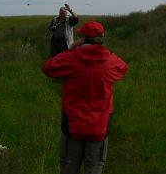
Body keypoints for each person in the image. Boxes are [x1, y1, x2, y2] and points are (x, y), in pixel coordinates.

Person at [42, 21, 128, 174]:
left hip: (73, 126)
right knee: (94, 169)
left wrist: (70, 49)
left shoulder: (72, 57)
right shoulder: (110, 60)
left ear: (82, 38)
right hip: (99, 128)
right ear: (102, 38)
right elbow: (122, 68)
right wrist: (107, 54)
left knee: (69, 168)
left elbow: (48, 68)